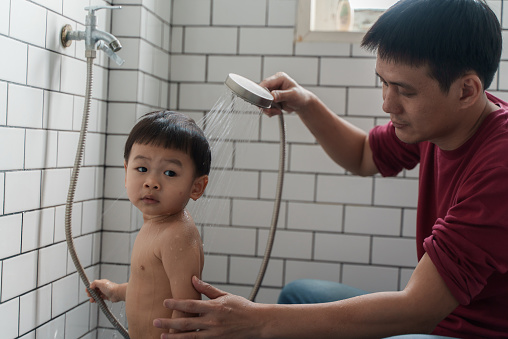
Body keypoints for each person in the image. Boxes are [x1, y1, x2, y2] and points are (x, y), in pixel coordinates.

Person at [152, 0, 508, 338]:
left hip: (472, 331)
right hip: (437, 317)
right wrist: (305, 103)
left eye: (404, 91)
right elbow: (365, 155)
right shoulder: (441, 123)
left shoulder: (500, 164)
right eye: (383, 82)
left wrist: (255, 321)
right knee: (296, 296)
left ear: (466, 91)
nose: (387, 103)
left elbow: (417, 308)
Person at [87, 111, 211, 339]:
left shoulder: (177, 233)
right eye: (142, 169)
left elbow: (187, 307)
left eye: (170, 172)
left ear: (197, 187)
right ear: (126, 173)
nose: (151, 182)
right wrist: (115, 291)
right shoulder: (154, 225)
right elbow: (151, 287)